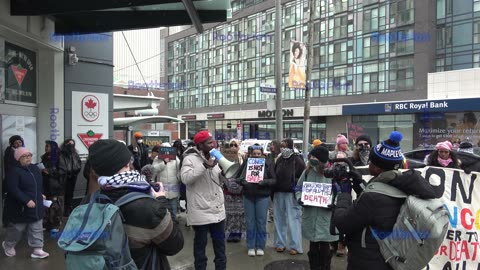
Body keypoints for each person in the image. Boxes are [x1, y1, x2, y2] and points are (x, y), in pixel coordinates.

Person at [333, 131, 436, 270]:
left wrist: (344, 194)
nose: (368, 164)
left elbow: (342, 223)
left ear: (376, 167)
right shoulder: (403, 184)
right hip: (390, 258)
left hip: (368, 261)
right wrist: (360, 183)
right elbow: (379, 203)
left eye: (371, 161)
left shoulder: (372, 199)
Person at [87, 139, 184, 269]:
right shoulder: (149, 208)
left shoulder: (89, 202)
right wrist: (161, 200)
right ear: (127, 163)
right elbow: (175, 244)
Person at [180, 130, 227, 270]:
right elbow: (185, 179)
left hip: (218, 211)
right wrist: (205, 166)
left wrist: (224, 171)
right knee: (200, 245)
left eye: (213, 141)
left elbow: (220, 180)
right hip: (201, 211)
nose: (213, 144)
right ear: (200, 145)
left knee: (220, 245)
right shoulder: (189, 159)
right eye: (209, 142)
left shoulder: (216, 157)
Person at [296, 146, 338, 270]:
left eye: (315, 158)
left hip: (326, 216)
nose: (312, 160)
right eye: (311, 157)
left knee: (325, 245)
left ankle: (325, 267)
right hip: (311, 214)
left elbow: (340, 193)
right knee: (313, 246)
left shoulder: (332, 173)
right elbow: (298, 188)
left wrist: (333, 202)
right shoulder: (307, 171)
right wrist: (300, 198)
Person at [2, 147, 49, 259]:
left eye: (29, 155)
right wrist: (26, 200)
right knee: (17, 229)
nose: (28, 158)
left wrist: (40, 194)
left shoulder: (35, 168)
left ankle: (37, 249)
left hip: (36, 204)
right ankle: (8, 245)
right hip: (20, 207)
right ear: (18, 158)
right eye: (25, 156)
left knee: (37, 226)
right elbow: (13, 189)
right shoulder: (14, 171)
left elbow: (38, 184)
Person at [272, 138, 306, 255]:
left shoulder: (298, 160)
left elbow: (302, 178)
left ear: (291, 146)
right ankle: (279, 244)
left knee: (294, 220)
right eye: (281, 145)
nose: (282, 148)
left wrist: (295, 186)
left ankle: (295, 246)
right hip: (278, 192)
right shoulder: (280, 159)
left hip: (292, 194)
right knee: (278, 219)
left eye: (285, 145)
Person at [152, 142, 181, 223]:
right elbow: (154, 169)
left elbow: (179, 170)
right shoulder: (157, 158)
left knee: (173, 207)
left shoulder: (175, 159)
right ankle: (165, 224)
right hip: (162, 188)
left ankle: (174, 223)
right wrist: (164, 162)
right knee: (163, 209)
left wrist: (179, 179)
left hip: (173, 187)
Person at [41, 140, 63, 233]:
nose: (46, 148)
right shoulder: (44, 157)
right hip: (45, 184)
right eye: (45, 146)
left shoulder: (59, 157)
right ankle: (47, 224)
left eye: (48, 146)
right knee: (46, 204)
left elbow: (62, 171)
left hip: (55, 186)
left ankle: (55, 224)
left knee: (55, 205)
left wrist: (49, 171)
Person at [3, 135, 25, 227]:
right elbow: (11, 166)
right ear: (12, 144)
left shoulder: (19, 151)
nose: (18, 144)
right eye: (16, 143)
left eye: (20, 142)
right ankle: (8, 220)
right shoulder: (10, 151)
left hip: (17, 179)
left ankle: (13, 218)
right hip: (12, 180)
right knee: (11, 201)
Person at [58, 138, 82, 217]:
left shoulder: (75, 154)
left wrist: (75, 171)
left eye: (72, 144)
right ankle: (61, 210)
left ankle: (68, 210)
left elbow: (78, 164)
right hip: (63, 177)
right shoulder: (60, 154)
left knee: (70, 194)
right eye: (69, 144)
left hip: (72, 177)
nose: (71, 146)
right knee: (62, 194)